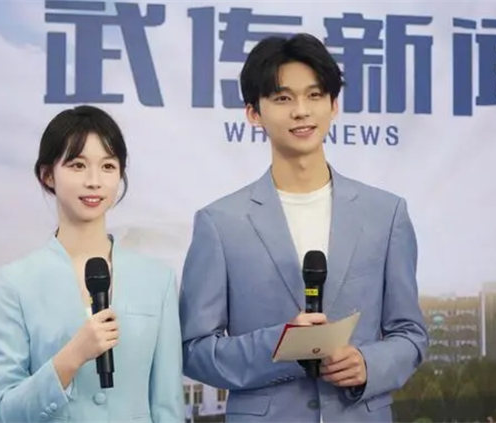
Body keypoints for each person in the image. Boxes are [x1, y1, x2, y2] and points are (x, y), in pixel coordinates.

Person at [179, 34, 428, 422]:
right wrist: (279, 346)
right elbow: (195, 350)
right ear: (253, 113)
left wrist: (369, 364)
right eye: (283, 98)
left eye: (314, 95)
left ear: (333, 105)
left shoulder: (386, 214)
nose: (301, 111)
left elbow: (410, 333)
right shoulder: (220, 223)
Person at [0, 105, 184, 423]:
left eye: (108, 166)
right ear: (47, 175)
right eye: (78, 165)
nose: (94, 181)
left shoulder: (157, 280)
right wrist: (72, 355)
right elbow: (5, 413)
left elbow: (167, 406)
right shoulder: (16, 283)